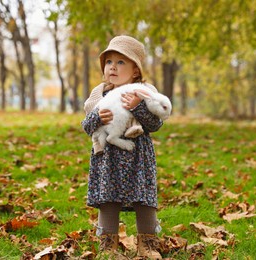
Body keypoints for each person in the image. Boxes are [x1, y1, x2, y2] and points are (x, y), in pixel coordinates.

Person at [81, 35, 165, 259]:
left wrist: (138, 108)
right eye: (109, 62)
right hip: (107, 157)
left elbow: (155, 124)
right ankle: (108, 245)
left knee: (143, 198)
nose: (113, 67)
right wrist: (97, 118)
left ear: (135, 70)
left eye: (120, 62)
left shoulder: (144, 92)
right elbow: (87, 126)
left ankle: (147, 244)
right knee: (108, 199)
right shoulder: (99, 94)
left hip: (138, 156)